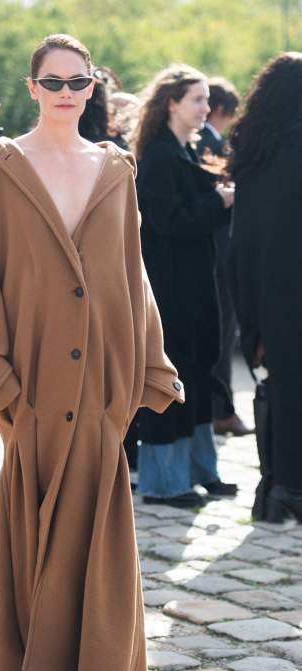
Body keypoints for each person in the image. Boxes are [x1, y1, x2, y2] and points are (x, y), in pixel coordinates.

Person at [0, 34, 184, 671]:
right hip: (31, 373)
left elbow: (131, 273)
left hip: (102, 378)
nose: (63, 94)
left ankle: (102, 663)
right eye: (51, 82)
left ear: (92, 88)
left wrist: (149, 367)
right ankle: (48, 666)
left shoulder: (115, 167)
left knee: (95, 515)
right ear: (30, 88)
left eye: (76, 82)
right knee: (41, 512)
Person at [134, 64, 238, 507]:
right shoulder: (158, 155)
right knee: (170, 382)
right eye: (196, 99)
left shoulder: (185, 149)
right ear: (171, 103)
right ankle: (164, 481)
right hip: (169, 288)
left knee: (195, 375)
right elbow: (169, 221)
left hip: (191, 283)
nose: (206, 108)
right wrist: (217, 200)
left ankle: (199, 469)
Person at [228, 52, 302, 522]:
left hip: (265, 294)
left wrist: (249, 317)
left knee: (284, 389)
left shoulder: (253, 148)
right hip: (295, 288)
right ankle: (286, 491)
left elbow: (243, 239)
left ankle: (276, 488)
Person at [196, 78, 253, 438]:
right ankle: (222, 409)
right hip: (218, 254)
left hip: (209, 252)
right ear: (223, 111)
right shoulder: (210, 143)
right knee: (220, 333)